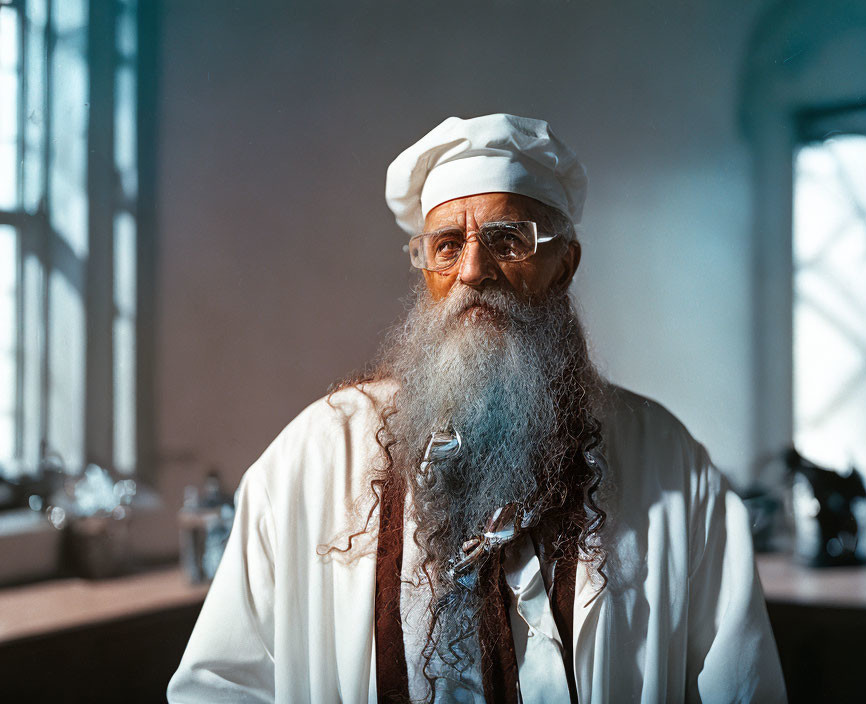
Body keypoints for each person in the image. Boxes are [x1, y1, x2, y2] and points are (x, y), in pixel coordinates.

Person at [168, 114, 787, 703]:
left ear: (564, 265)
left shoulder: (670, 466)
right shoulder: (315, 457)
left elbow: (741, 687)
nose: (471, 270)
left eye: (508, 240)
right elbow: (222, 686)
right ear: (427, 269)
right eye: (445, 245)